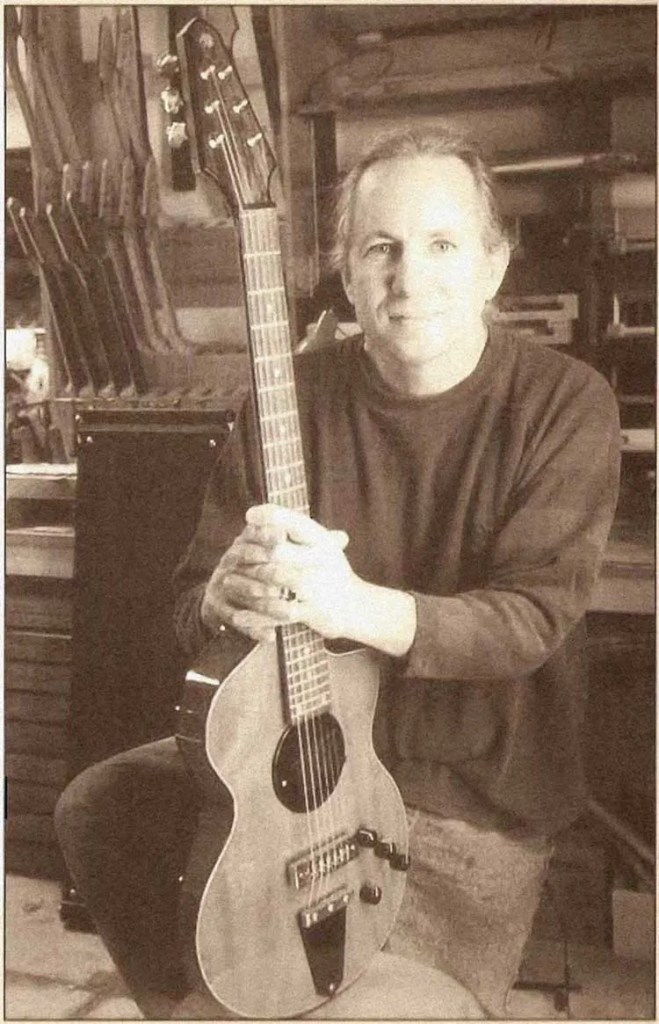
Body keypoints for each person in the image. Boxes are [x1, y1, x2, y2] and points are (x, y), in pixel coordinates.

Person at [55, 125, 620, 1020]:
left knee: (347, 1009)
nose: (409, 276)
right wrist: (218, 597)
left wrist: (350, 605)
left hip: (460, 792)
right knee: (100, 808)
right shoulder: (293, 391)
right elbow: (185, 605)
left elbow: (527, 623)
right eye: (380, 248)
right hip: (299, 753)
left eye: (442, 244)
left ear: (493, 263)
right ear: (346, 271)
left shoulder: (564, 404)